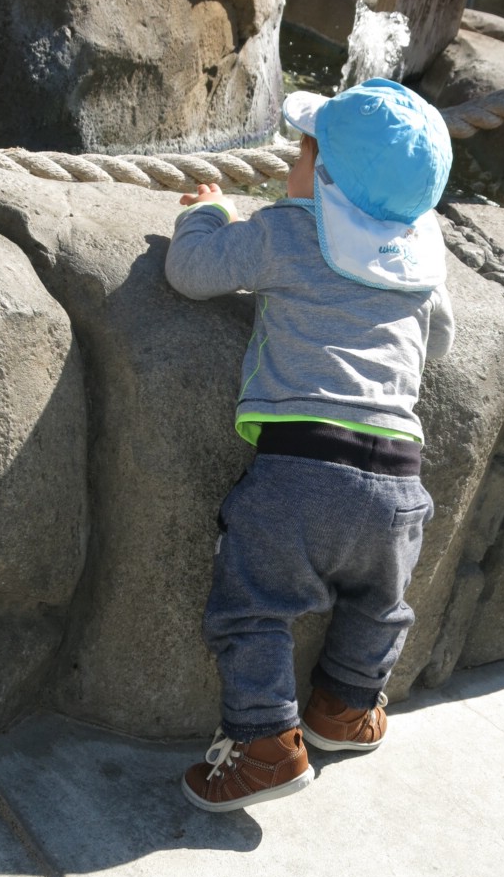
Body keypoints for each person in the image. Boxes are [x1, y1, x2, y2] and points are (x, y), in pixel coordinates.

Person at [164, 78, 455, 813]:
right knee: (378, 603)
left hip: (301, 470)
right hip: (399, 481)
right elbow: (440, 343)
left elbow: (192, 274)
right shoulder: (420, 260)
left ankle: (265, 744)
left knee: (253, 607)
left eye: (301, 154)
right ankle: (346, 710)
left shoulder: (289, 230)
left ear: (322, 176)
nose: (293, 166)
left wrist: (206, 214)